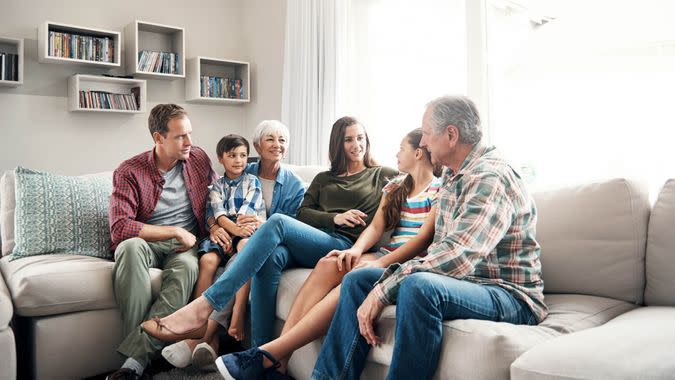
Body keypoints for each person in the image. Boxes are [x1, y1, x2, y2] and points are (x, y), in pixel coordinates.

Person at [311, 95, 549, 380]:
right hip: (464, 282)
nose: (422, 143)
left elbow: (458, 254)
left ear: (451, 134)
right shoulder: (452, 173)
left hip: (508, 294)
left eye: (426, 133)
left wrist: (384, 289)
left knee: (420, 286)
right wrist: (379, 282)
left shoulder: (490, 177)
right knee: (357, 279)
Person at [140, 116, 397, 360]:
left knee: (276, 222)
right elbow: (304, 214)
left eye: (361, 138)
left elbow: (418, 178)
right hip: (315, 238)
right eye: (349, 139)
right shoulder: (323, 178)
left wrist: (340, 224)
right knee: (269, 256)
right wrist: (333, 218)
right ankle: (258, 354)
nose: (357, 145)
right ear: (337, 144)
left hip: (343, 244)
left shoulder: (381, 174)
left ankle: (202, 307)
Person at [215, 128, 443, 379]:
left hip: (406, 261)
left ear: (419, 153)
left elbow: (423, 239)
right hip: (379, 252)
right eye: (348, 139)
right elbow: (377, 226)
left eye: (401, 148)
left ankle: (266, 353)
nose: (396, 153)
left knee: (347, 276)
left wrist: (380, 261)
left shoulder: (438, 190)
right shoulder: (396, 185)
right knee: (328, 263)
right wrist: (356, 251)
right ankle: (279, 362)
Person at [161, 120, 306, 369]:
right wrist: (216, 227)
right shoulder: (243, 170)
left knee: (247, 253)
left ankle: (204, 335)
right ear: (258, 146)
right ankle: (211, 342)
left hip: (261, 242)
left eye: (282, 140)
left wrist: (260, 225)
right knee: (215, 258)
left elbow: (291, 225)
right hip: (232, 233)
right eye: (271, 139)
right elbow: (212, 206)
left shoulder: (294, 185)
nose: (277, 145)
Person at [107, 104, 217, 380]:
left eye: (189, 134)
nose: (189, 142)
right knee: (129, 248)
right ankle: (139, 355)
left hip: (186, 245)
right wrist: (174, 231)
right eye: (181, 136)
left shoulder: (199, 159)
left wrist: (222, 225)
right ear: (159, 138)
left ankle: (133, 363)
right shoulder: (130, 170)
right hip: (149, 240)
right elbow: (121, 227)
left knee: (187, 269)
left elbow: (218, 199)